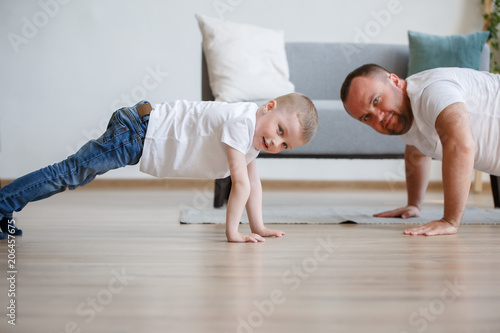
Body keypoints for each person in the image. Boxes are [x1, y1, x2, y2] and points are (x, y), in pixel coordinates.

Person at [0, 93, 318, 242]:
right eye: (279, 130)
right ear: (270, 107)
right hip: (138, 132)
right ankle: (4, 204)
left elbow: (253, 184)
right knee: (70, 173)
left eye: (285, 144)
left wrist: (259, 227)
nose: (276, 144)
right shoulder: (242, 122)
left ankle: (5, 209)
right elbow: (241, 184)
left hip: (139, 131)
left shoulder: (253, 137)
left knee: (73, 175)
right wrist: (233, 233)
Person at [340, 63, 500, 236]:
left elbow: (460, 145)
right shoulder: (407, 116)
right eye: (366, 117)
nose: (378, 117)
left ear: (394, 81)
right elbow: (416, 150)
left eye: (376, 100)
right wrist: (414, 205)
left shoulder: (432, 91)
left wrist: (449, 220)